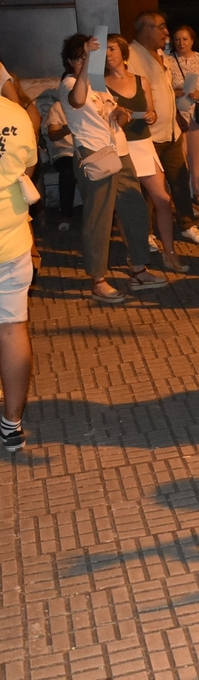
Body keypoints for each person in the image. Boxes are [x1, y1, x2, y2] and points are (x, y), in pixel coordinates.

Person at [59, 34, 166, 303]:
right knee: (99, 218)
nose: (86, 62)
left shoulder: (98, 83)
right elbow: (77, 100)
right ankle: (98, 280)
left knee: (135, 209)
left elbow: (111, 110)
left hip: (120, 151)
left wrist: (120, 113)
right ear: (71, 61)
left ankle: (139, 269)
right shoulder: (70, 83)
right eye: (80, 57)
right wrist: (87, 63)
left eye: (88, 57)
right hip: (95, 155)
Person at [105, 34, 188, 274]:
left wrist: (151, 115)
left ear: (123, 51)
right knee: (127, 204)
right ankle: (135, 254)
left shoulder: (140, 80)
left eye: (112, 49)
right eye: (104, 50)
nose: (108, 54)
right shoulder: (100, 84)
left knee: (162, 199)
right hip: (121, 146)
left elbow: (151, 111)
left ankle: (169, 253)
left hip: (142, 143)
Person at [127, 11, 199, 246]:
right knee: (148, 188)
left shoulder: (162, 55)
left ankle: (187, 224)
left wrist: (176, 114)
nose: (166, 32)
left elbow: (165, 91)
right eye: (161, 27)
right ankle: (147, 232)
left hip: (171, 132)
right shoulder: (131, 56)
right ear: (145, 29)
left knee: (180, 180)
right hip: (147, 135)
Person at [0, 92, 37, 453]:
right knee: (12, 329)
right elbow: (28, 167)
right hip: (10, 240)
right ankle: (11, 424)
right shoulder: (16, 115)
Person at [168, 25, 199, 204]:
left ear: (192, 40)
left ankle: (198, 192)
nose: (181, 43)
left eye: (185, 39)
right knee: (179, 157)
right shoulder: (167, 61)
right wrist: (173, 92)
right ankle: (180, 194)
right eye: (177, 39)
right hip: (177, 113)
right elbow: (161, 86)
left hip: (198, 112)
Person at [42, 95, 77, 229]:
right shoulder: (59, 107)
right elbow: (52, 135)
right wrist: (65, 130)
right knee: (68, 171)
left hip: (88, 150)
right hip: (65, 151)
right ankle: (66, 215)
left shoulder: (92, 102)